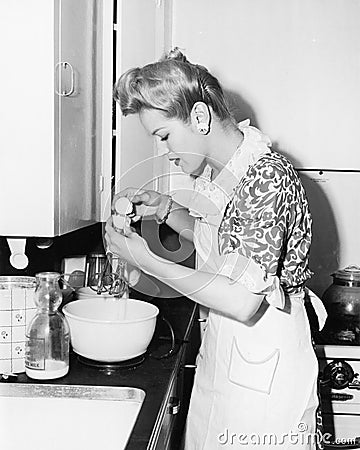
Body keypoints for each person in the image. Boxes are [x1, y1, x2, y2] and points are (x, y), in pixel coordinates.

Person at [105, 48, 327, 449]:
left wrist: (147, 260)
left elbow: (244, 300)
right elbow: (229, 246)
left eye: (164, 135)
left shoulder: (267, 177)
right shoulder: (232, 173)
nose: (163, 150)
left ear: (201, 118)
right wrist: (168, 210)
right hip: (230, 354)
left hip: (264, 366)